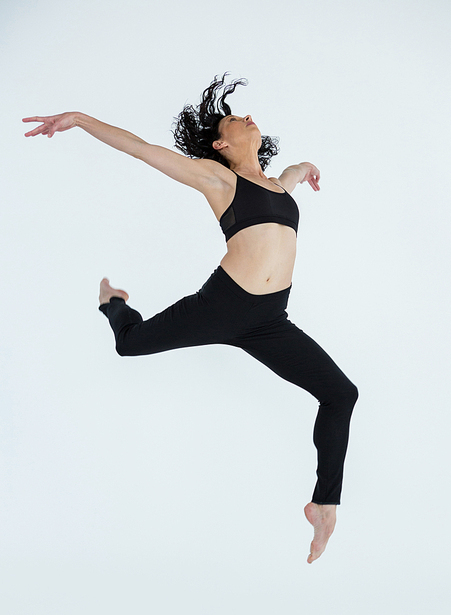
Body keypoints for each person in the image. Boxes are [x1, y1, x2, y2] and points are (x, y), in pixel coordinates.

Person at [23, 73, 358, 564]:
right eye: (233, 118)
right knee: (129, 344)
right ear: (222, 143)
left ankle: (324, 506)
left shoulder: (279, 186)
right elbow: (142, 149)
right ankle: (112, 302)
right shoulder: (218, 177)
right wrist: (79, 119)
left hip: (269, 320)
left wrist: (305, 166)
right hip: (223, 305)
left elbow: (290, 171)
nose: (246, 115)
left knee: (341, 393)